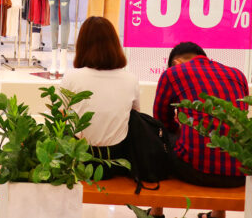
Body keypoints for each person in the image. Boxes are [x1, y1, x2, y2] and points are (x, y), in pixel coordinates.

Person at [149, 42, 249, 218]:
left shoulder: (173, 73)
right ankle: (218, 214)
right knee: (224, 133)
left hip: (195, 171)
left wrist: (180, 130)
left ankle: (156, 212)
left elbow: (161, 120)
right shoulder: (237, 74)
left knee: (160, 140)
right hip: (241, 173)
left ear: (176, 62)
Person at [61, 17, 139, 178]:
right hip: (116, 161)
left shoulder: (72, 77)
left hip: (78, 159)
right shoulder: (131, 79)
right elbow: (135, 115)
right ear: (115, 44)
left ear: (82, 45)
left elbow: (60, 115)